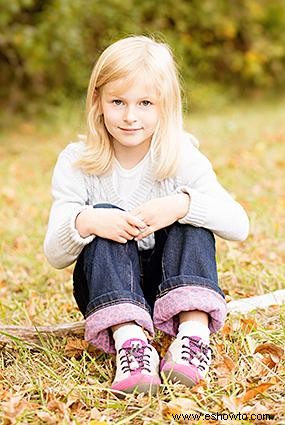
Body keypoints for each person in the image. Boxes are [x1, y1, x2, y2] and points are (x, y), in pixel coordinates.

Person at [44, 35, 249, 396]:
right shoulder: (77, 162)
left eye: (145, 103)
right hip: (108, 289)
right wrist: (86, 221)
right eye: (118, 102)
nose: (130, 116)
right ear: (98, 102)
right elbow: (54, 254)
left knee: (191, 215)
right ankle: (132, 346)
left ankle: (193, 337)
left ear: (164, 107)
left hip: (174, 283)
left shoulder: (181, 156)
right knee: (101, 214)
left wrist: (183, 205)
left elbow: (239, 225)